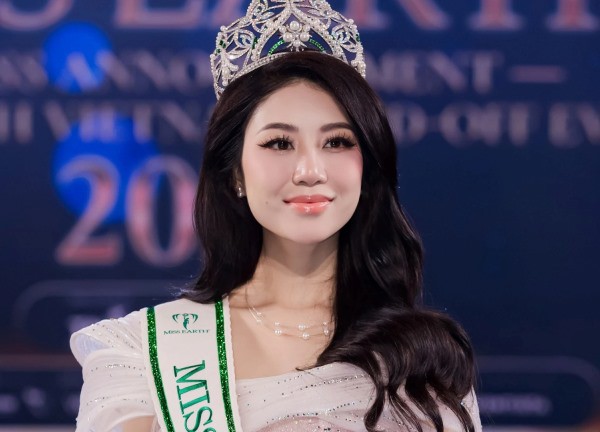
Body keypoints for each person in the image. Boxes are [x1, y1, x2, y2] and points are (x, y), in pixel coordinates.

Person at [70, 1, 482, 431]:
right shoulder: (139, 351)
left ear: (368, 167)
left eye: (337, 142)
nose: (310, 171)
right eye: (280, 144)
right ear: (235, 173)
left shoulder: (426, 358)